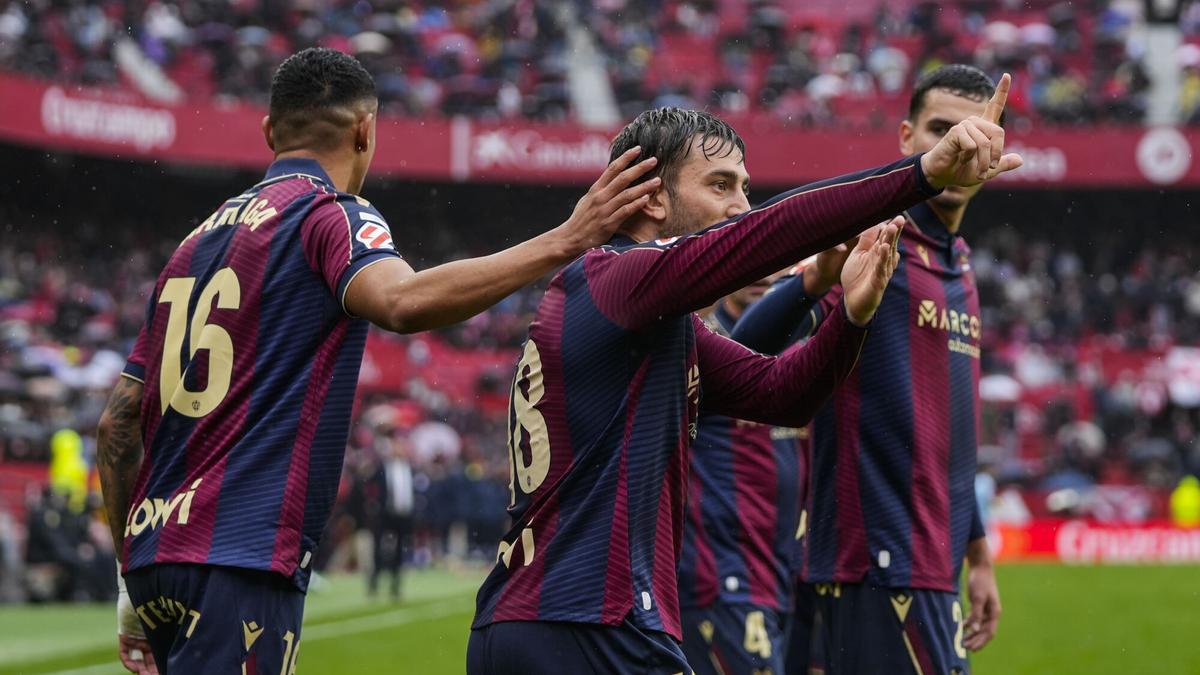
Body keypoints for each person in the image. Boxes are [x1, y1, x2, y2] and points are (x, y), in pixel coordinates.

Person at [95, 47, 662, 675]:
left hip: (153, 556)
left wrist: (129, 576)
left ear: (268, 131)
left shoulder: (192, 244)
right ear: (366, 131)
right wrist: (567, 239)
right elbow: (400, 301)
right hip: (239, 555)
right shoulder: (329, 215)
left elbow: (119, 425)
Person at [469, 85, 1019, 674]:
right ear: (651, 197)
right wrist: (923, 174)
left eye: (746, 189)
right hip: (590, 623)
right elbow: (773, 232)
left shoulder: (644, 313)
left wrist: (853, 316)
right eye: (721, 185)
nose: (741, 206)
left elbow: (781, 395)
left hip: (537, 620)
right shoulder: (619, 275)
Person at [733, 65, 1009, 674]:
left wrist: (978, 552)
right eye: (944, 129)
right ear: (908, 138)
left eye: (978, 130)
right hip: (876, 561)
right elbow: (743, 351)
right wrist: (813, 279)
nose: (963, 144)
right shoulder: (872, 237)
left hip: (930, 564)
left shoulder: (958, 261)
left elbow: (949, 435)